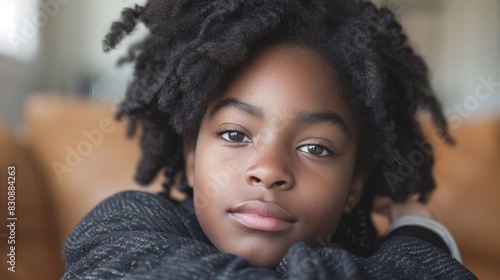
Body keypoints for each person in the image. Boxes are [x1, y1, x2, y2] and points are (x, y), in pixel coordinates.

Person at [62, 0, 477, 279]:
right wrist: (420, 231)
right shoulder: (123, 224)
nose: (270, 170)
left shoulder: (370, 256)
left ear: (354, 186)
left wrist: (413, 229)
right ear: (192, 157)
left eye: (315, 147)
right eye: (235, 134)